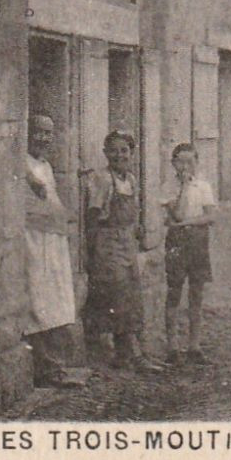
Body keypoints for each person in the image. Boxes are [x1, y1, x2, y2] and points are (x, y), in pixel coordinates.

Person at [83, 131, 161, 371]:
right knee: (117, 293)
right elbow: (94, 215)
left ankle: (134, 352)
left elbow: (134, 215)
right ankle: (128, 353)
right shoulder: (104, 179)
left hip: (127, 242)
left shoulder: (131, 180)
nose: (119, 155)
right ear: (106, 153)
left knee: (132, 295)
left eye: (124, 150)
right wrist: (92, 250)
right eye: (114, 150)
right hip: (108, 242)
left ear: (131, 154)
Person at [23, 115, 84, 388]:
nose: (43, 138)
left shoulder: (46, 166)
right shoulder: (22, 163)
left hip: (52, 238)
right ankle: (45, 367)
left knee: (57, 301)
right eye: (38, 132)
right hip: (34, 239)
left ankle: (56, 366)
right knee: (39, 300)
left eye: (48, 133)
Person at [162, 142, 216, 366]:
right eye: (180, 161)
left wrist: (186, 223)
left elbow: (210, 217)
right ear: (173, 163)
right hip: (177, 242)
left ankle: (194, 345)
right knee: (174, 291)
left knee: (197, 293)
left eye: (190, 162)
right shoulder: (169, 187)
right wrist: (182, 188)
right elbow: (176, 213)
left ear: (196, 163)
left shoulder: (203, 187)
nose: (185, 166)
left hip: (197, 242)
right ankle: (172, 346)